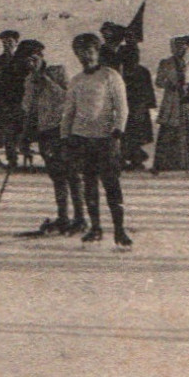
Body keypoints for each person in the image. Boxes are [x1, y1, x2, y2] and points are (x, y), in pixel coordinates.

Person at [60, 33, 131, 246]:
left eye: (89, 52)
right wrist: (65, 136)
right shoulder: (76, 81)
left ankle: (119, 230)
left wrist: (118, 131)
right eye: (81, 53)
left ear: (97, 52)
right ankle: (96, 228)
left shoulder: (110, 76)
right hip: (82, 139)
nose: (86, 57)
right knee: (89, 185)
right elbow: (69, 112)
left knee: (111, 185)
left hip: (105, 139)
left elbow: (122, 107)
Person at [19, 40, 85, 234]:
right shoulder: (29, 80)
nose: (31, 64)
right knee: (57, 176)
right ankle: (63, 217)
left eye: (34, 59)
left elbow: (68, 97)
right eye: (27, 61)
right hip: (45, 132)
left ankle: (80, 219)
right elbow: (28, 108)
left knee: (73, 175)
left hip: (64, 130)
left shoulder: (57, 72)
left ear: (41, 56)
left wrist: (46, 82)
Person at [152, 35, 189, 173]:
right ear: (173, 49)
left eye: (183, 47)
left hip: (185, 100)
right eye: (178, 47)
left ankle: (188, 163)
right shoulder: (165, 63)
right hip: (171, 100)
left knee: (188, 129)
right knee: (169, 129)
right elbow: (158, 82)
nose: (181, 50)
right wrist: (170, 85)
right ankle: (165, 163)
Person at [0, 29, 26, 169]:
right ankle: (11, 158)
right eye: (4, 43)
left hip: (19, 102)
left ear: (16, 43)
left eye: (10, 42)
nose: (6, 45)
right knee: (6, 131)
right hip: (2, 103)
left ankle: (23, 153)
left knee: (19, 130)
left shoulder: (23, 61)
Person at [119, 41, 158, 171]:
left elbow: (148, 90)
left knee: (135, 136)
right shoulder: (119, 71)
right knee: (124, 136)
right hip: (125, 108)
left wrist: (148, 104)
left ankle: (136, 160)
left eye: (135, 54)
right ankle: (125, 159)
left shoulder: (143, 71)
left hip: (138, 108)